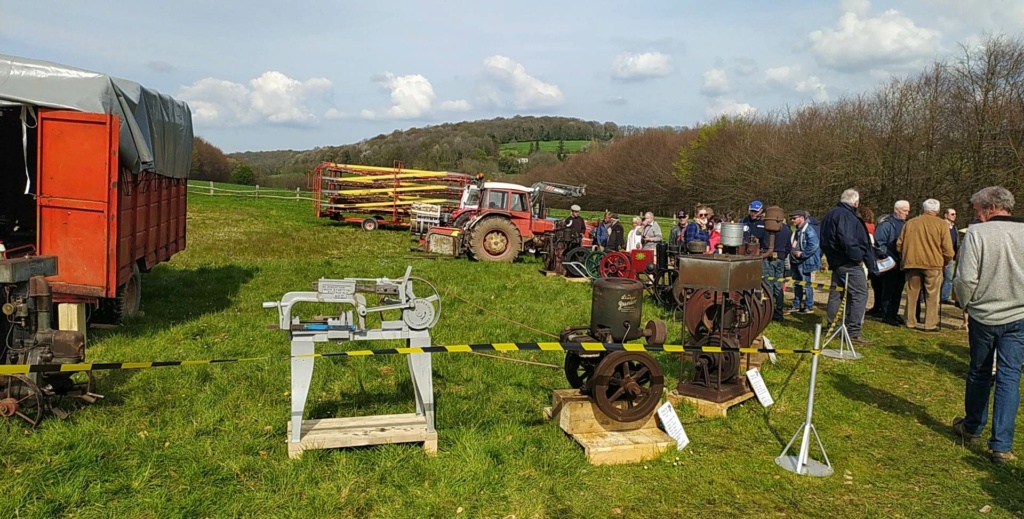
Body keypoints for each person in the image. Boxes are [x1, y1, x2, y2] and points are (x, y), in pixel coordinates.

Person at [953, 186, 1024, 464]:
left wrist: (965, 304)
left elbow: (966, 278)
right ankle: (1001, 446)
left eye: (977, 211)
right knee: (1009, 377)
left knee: (980, 371)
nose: (976, 215)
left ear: (990, 208)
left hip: (984, 314)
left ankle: (972, 426)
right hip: (1018, 315)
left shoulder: (977, 234)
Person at [819, 188, 875, 345]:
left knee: (836, 293)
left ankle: (832, 326)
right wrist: (857, 257)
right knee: (860, 293)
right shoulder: (846, 216)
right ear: (855, 202)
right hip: (848, 261)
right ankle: (853, 332)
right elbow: (847, 239)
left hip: (836, 260)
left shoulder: (831, 214)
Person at [896, 199, 954, 332]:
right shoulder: (941, 224)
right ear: (938, 211)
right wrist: (946, 260)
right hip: (933, 264)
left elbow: (899, 244)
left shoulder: (910, 223)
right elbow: (948, 248)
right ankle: (930, 324)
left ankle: (910, 321)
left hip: (912, 263)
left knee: (912, 293)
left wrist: (906, 255)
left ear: (923, 208)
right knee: (932, 295)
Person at [873, 200, 910, 326]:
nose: (907, 213)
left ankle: (893, 313)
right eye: (905, 211)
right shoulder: (887, 224)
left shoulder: (906, 224)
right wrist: (888, 257)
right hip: (889, 261)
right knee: (888, 289)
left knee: (898, 289)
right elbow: (879, 243)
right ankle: (887, 314)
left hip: (902, 262)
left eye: (908, 211)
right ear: (897, 210)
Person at [788, 210, 821, 314]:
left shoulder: (809, 230)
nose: (792, 220)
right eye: (791, 219)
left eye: (794, 218)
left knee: (807, 284)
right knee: (796, 284)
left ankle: (808, 306)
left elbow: (814, 245)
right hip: (795, 261)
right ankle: (796, 304)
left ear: (802, 218)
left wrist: (802, 254)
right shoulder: (797, 230)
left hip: (805, 261)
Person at [940, 207, 959, 304]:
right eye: (952, 214)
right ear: (946, 215)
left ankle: (944, 297)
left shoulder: (954, 227)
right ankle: (924, 296)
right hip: (940, 255)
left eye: (955, 214)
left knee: (949, 278)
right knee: (935, 278)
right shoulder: (940, 226)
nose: (954, 216)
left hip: (950, 256)